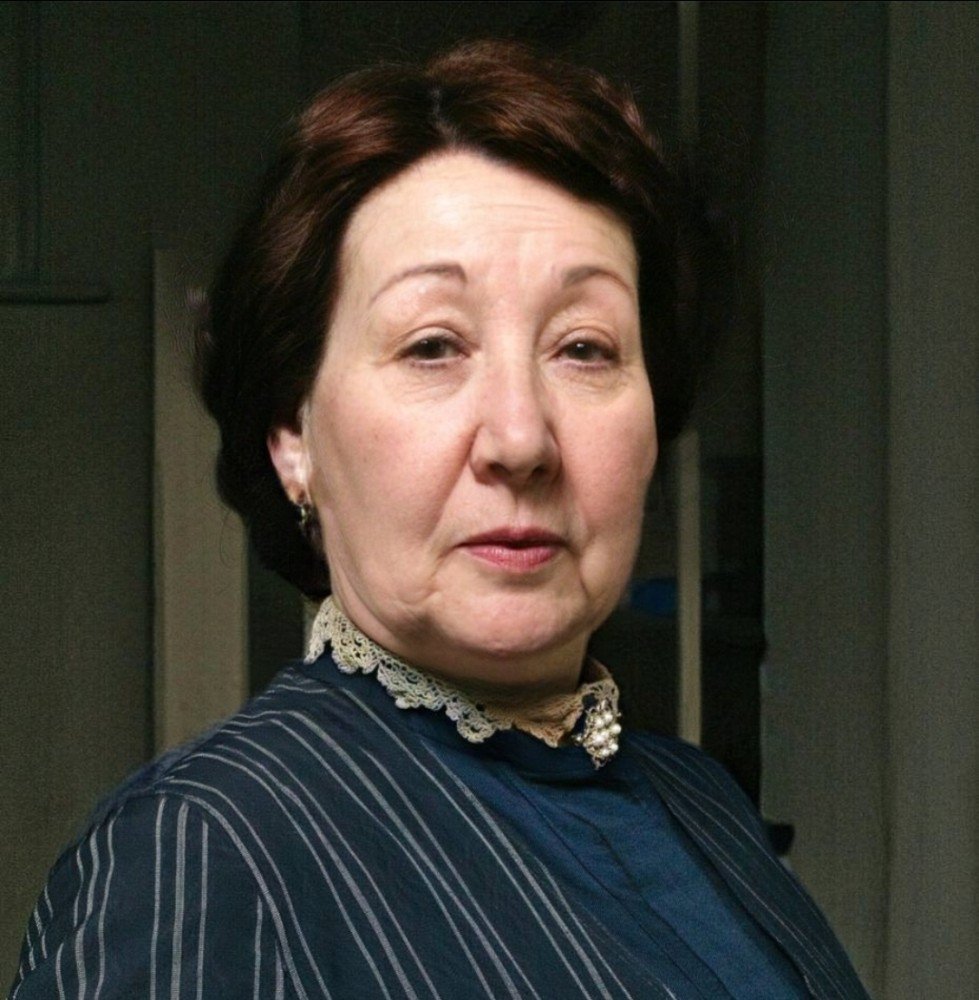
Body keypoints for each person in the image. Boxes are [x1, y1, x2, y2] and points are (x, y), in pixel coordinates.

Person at [10, 41, 868, 999]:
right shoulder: (210, 850)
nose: (520, 438)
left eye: (583, 348)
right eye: (431, 346)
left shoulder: (698, 800)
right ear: (293, 437)